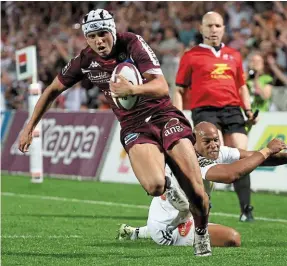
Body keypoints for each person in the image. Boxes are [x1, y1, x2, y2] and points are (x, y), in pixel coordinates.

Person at [18, 9, 211, 256]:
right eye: (92, 37)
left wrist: (133, 90)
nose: (99, 41)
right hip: (134, 126)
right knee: (154, 186)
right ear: (86, 39)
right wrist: (29, 126)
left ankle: (201, 232)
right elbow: (52, 90)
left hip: (164, 116)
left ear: (113, 31)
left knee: (198, 194)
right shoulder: (85, 60)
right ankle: (169, 186)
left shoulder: (132, 43)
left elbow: (162, 87)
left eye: (103, 34)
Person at [117, 122, 287, 245]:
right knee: (232, 238)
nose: (213, 145)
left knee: (200, 212)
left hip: (178, 215)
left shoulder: (216, 152)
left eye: (216, 140)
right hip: (171, 228)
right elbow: (232, 174)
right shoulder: (192, 161)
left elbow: (256, 158)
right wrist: (267, 150)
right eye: (207, 141)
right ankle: (157, 231)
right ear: (194, 143)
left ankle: (138, 232)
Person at [174, 11, 258, 222]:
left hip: (232, 110)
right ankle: (203, 204)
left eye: (218, 26)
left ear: (223, 29)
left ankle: (246, 209)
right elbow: (178, 88)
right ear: (201, 29)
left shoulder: (234, 55)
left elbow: (241, 86)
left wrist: (247, 110)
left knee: (243, 156)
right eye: (209, 26)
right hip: (205, 110)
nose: (213, 30)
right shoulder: (190, 55)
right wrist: (178, 115)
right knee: (212, 154)